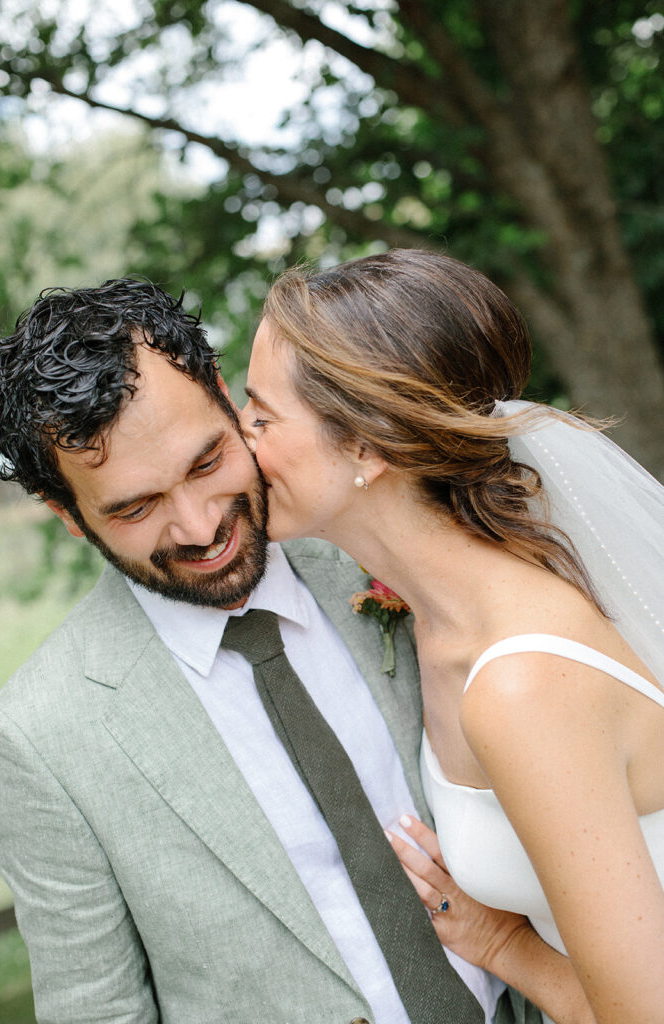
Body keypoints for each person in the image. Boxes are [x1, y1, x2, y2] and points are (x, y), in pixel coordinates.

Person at [0, 278, 539, 1024]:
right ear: (69, 516)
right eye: (136, 507)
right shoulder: (43, 730)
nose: (198, 526)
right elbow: (95, 1009)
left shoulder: (382, 555)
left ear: (222, 394)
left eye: (206, 462)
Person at [241, 248, 664, 1024]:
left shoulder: (522, 684)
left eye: (262, 415)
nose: (240, 441)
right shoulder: (440, 616)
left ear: (368, 447)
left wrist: (506, 951)